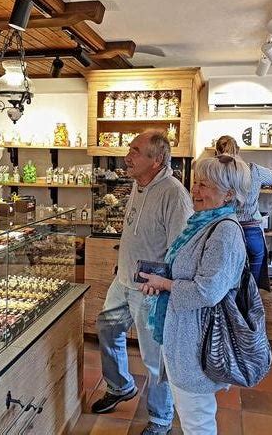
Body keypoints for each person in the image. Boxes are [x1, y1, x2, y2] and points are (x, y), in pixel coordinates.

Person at [138, 154, 251, 434]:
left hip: (196, 342)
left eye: (205, 186)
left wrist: (165, 285)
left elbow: (208, 290)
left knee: (197, 420)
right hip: (183, 336)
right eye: (196, 183)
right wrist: (163, 277)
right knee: (190, 414)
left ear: (229, 195)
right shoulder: (202, 224)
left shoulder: (224, 232)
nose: (195, 191)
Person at [91, 130, 193, 435]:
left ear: (157, 159)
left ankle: (160, 419)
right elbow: (137, 234)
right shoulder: (138, 185)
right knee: (107, 329)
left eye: (136, 150)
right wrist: (123, 263)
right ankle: (121, 386)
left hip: (151, 292)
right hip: (123, 283)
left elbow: (181, 248)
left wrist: (163, 281)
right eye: (129, 149)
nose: (127, 156)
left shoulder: (174, 194)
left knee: (154, 359)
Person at [215, 135, 272, 289]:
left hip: (228, 229)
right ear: (239, 150)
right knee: (251, 286)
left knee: (228, 276)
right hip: (252, 232)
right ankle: (249, 306)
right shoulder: (254, 170)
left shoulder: (217, 173)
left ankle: (230, 308)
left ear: (216, 152)